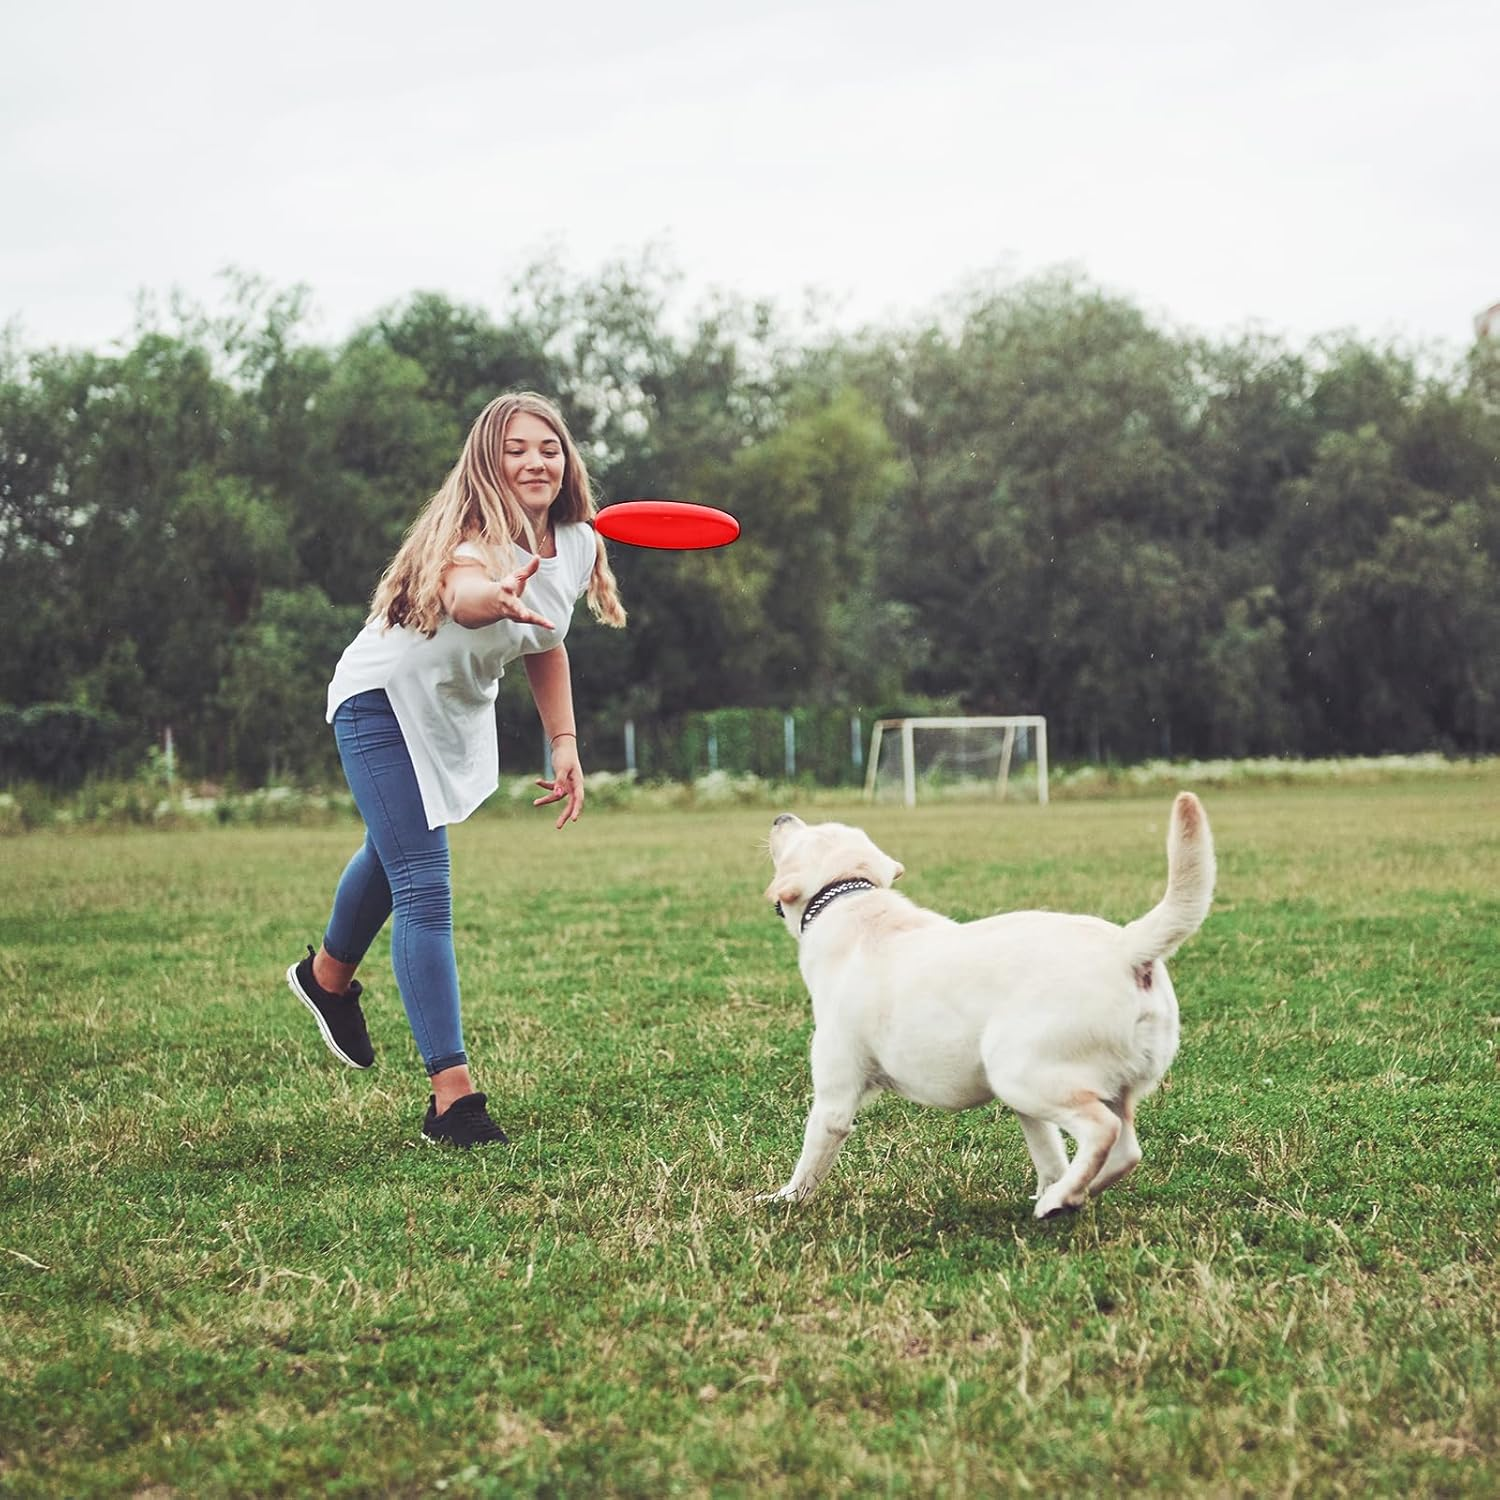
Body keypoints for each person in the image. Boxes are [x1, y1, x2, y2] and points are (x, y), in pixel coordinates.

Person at [287, 391, 627, 1147]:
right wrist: (492, 596)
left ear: (567, 458)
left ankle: (326, 980)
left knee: (393, 846)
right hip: (379, 700)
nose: (535, 460)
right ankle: (453, 1101)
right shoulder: (473, 535)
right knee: (422, 880)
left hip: (449, 710)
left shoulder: (573, 541)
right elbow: (464, 591)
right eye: (515, 448)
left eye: (548, 446)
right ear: (487, 461)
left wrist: (564, 743)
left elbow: (548, 643)